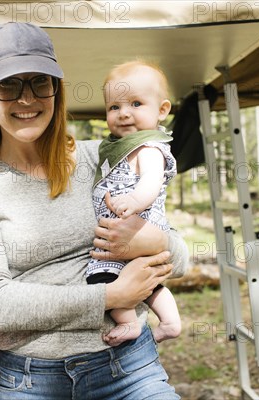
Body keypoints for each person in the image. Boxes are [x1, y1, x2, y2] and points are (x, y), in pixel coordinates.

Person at [0, 22, 188, 399]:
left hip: (128, 369)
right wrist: (111, 297)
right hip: (31, 381)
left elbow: (182, 258)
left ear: (56, 89)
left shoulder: (97, 159)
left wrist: (152, 241)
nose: (26, 99)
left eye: (40, 81)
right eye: (8, 85)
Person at [87, 60, 182, 347]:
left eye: (136, 104)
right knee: (149, 282)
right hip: (124, 231)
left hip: (140, 225)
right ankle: (170, 321)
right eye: (114, 107)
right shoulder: (117, 149)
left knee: (103, 280)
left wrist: (135, 201)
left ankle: (128, 322)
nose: (123, 113)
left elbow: (151, 182)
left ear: (162, 110)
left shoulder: (148, 147)